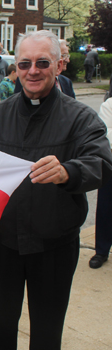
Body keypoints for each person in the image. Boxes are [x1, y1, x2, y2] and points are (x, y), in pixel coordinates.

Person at [0, 30, 112, 350]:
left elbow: (102, 163)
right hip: (3, 246)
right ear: (16, 67)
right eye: (24, 63)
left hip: (54, 247)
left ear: (59, 65)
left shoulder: (80, 117)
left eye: (42, 62)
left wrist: (69, 171)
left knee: (47, 331)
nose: (33, 70)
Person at [90, 96, 112, 269]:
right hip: (110, 164)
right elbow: (106, 134)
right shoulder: (109, 105)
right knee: (106, 208)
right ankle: (101, 251)